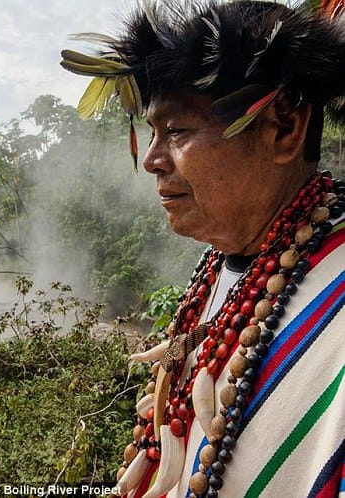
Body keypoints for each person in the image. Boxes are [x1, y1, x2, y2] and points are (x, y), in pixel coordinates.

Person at [61, 1, 345, 497]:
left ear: (282, 128)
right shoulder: (224, 259)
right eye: (151, 132)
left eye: (176, 130)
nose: (151, 159)